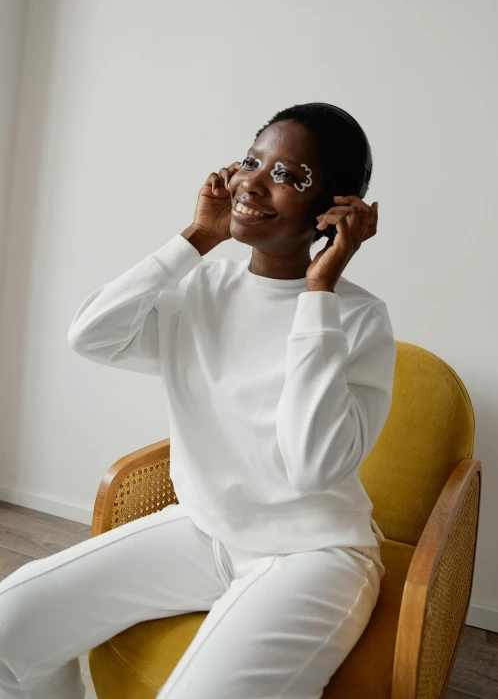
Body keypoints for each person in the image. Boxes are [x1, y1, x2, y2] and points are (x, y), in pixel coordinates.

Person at [0, 102, 396, 699]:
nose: (254, 182)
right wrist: (198, 238)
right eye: (251, 161)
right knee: (10, 626)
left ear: (335, 211)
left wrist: (320, 290)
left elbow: (313, 465)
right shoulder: (201, 287)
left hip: (313, 556)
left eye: (289, 175)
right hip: (203, 532)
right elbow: (92, 335)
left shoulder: (356, 318)